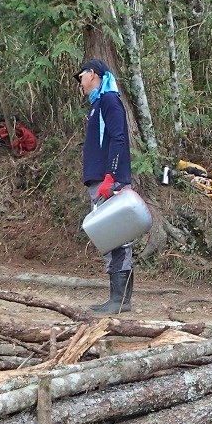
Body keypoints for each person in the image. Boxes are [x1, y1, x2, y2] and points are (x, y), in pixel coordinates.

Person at [77, 58, 135, 314]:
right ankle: (119, 299)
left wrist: (111, 177)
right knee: (111, 237)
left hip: (108, 181)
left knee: (116, 238)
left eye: (81, 77)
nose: (80, 83)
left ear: (92, 74)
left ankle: (119, 301)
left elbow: (118, 139)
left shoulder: (109, 101)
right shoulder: (99, 103)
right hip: (101, 179)